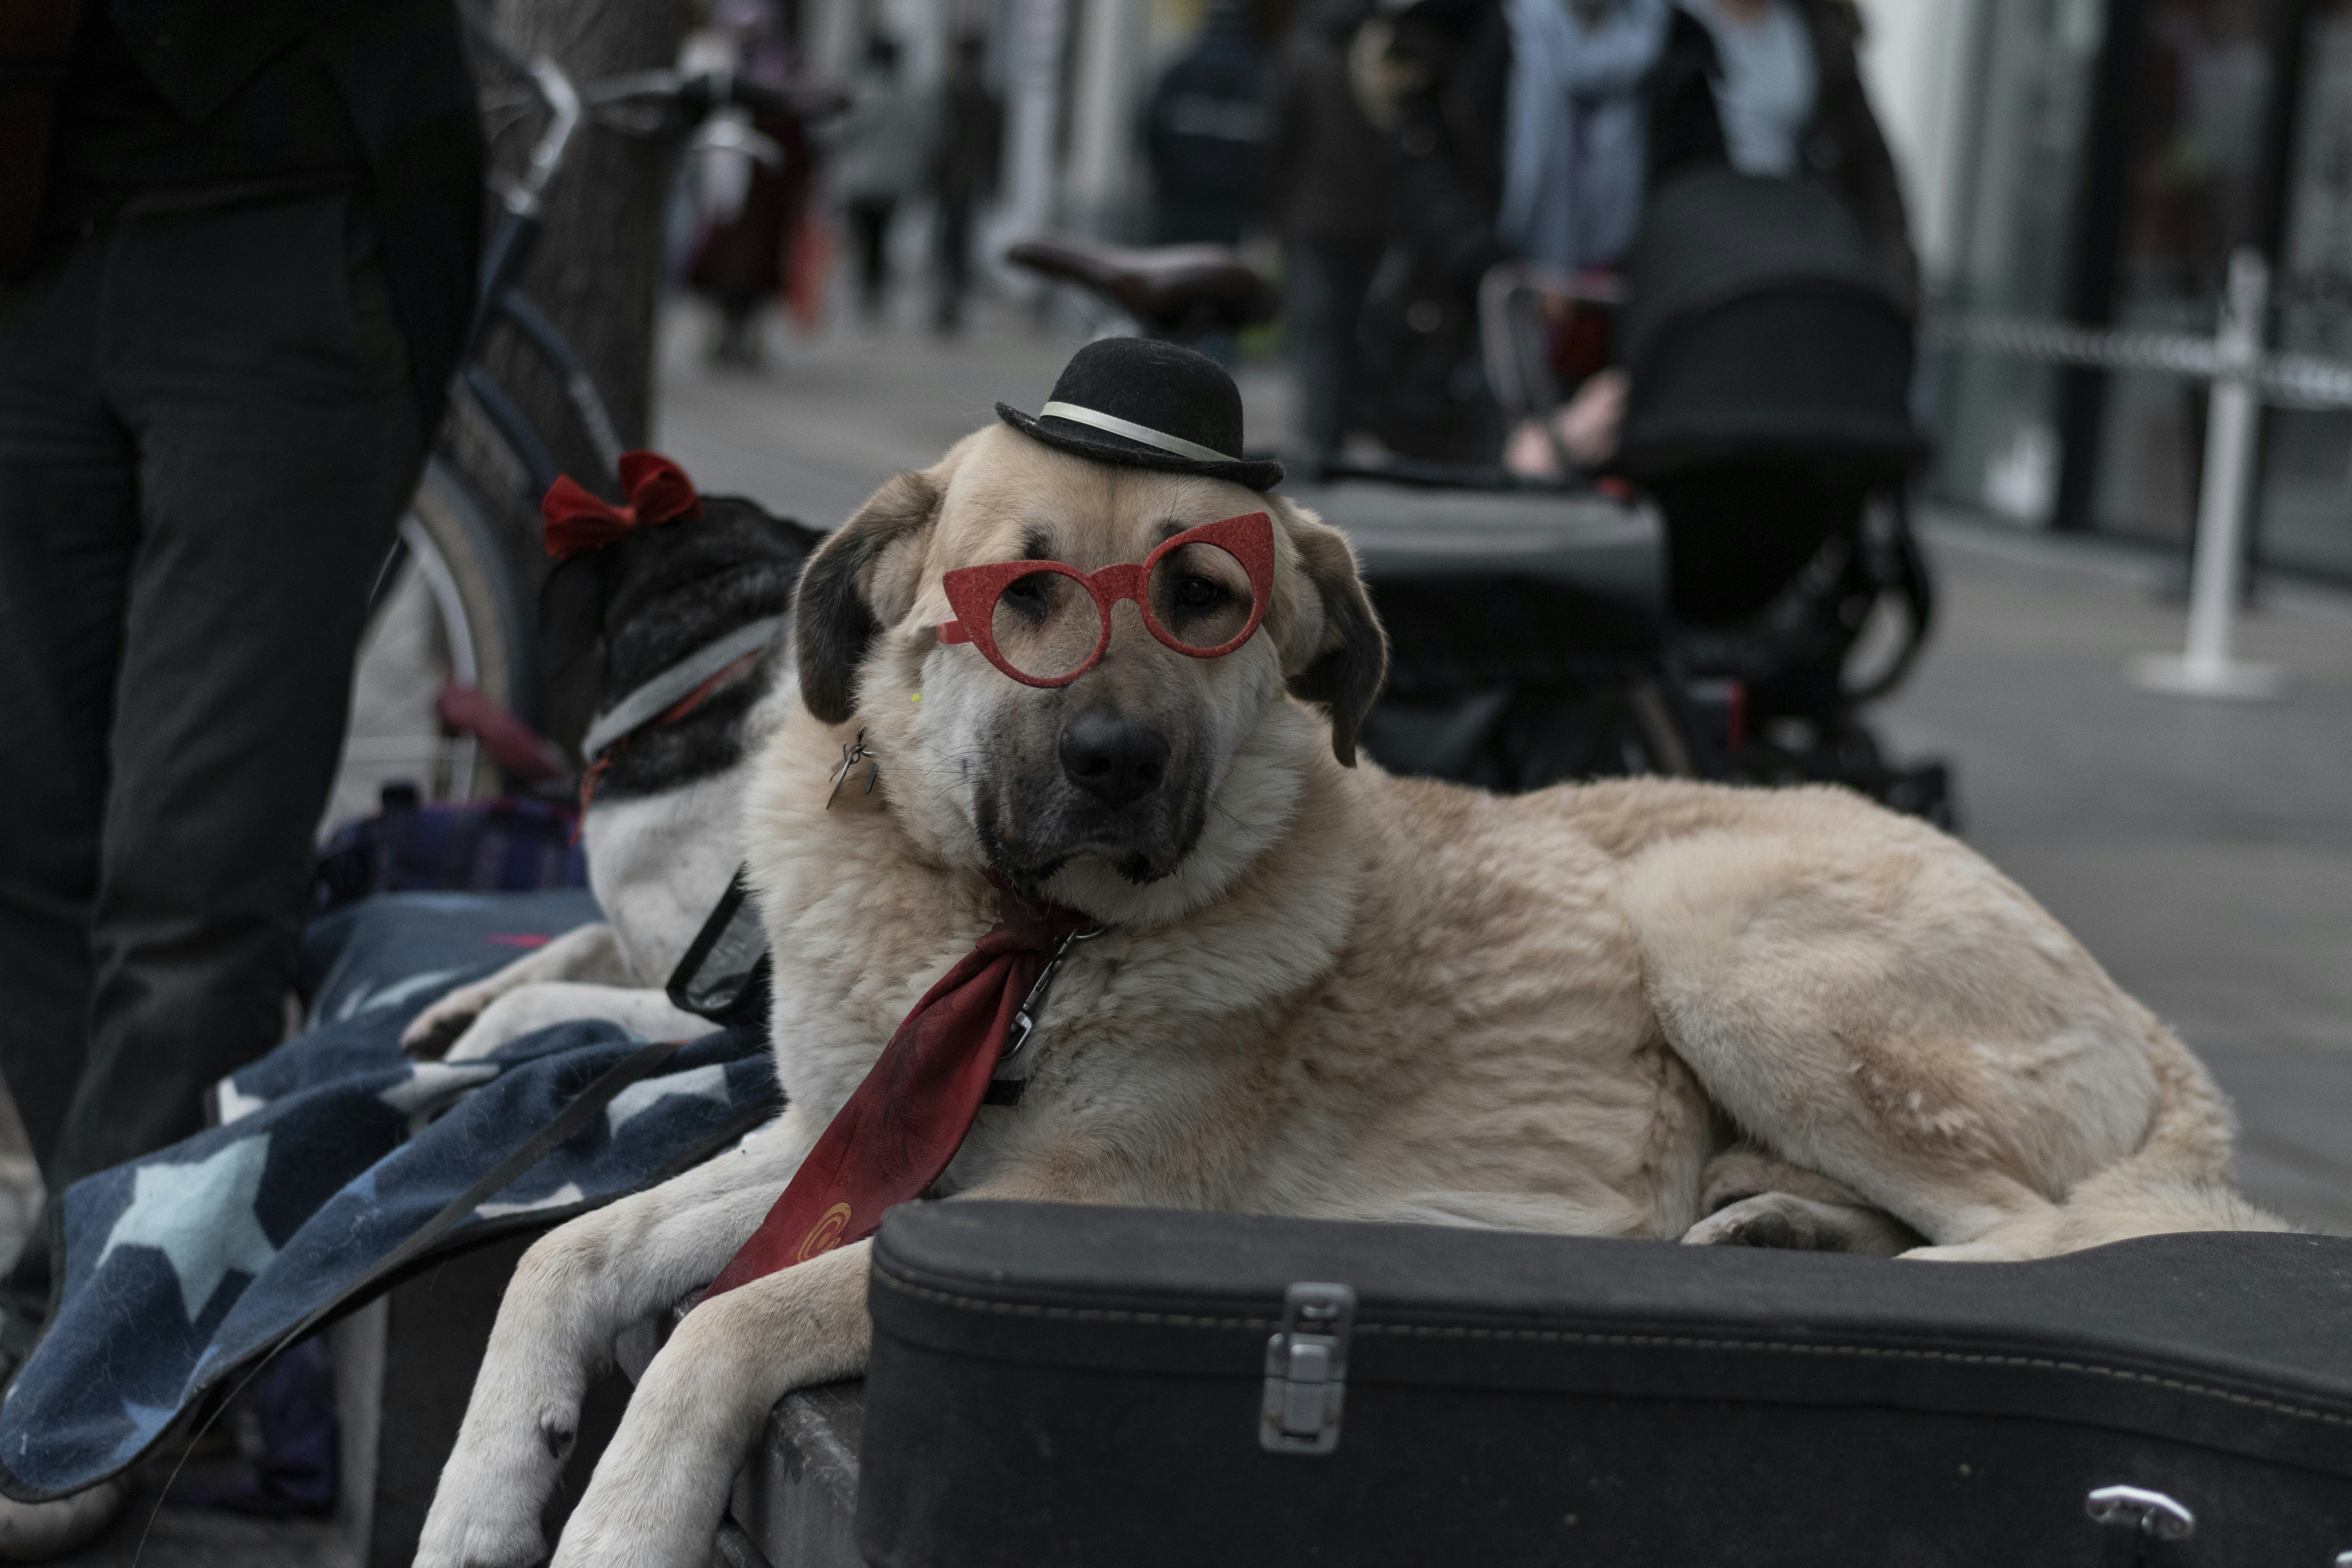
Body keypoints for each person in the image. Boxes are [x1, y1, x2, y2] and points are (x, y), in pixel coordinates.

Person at [0, 0, 481, 1370]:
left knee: (193, 870)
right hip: (34, 231)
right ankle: (109, 1270)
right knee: (26, 832)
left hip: (285, 214)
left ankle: (112, 1354)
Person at [1364, 0, 1668, 461]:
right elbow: (1422, 172)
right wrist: (1490, 266)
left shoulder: (1674, 40)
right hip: (1475, 326)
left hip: (1621, 316)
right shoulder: (1468, 29)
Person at [1649, 0, 1916, 312]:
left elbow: (1871, 169)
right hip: (1693, 266)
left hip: (1793, 259)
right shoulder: (1655, 23)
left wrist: (1896, 289)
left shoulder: (1815, 25)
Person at [1264, 0, 1396, 466]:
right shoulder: (1379, 46)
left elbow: (1278, 136)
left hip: (1312, 221)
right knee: (1353, 331)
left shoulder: (1302, 48)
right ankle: (1338, 434)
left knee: (1318, 334)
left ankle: (1320, 441)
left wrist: (1268, 211)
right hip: (1373, 219)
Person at [1143, 0, 1271, 246]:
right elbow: (1274, 150)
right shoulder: (1260, 76)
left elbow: (1150, 130)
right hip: (1231, 216)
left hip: (1177, 210)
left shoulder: (1180, 70)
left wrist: (1165, 184)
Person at [828, 33, 936, 323]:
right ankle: (875, 290)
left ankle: (866, 289)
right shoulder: (910, 95)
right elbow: (927, 137)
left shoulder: (860, 94)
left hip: (862, 181)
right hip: (895, 183)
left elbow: (839, 134)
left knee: (863, 237)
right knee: (882, 238)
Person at [930, 34, 1003, 336]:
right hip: (960, 182)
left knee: (953, 244)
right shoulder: (981, 97)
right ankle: (948, 302)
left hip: (958, 182)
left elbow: (938, 141)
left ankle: (949, 303)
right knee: (953, 244)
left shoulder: (955, 94)